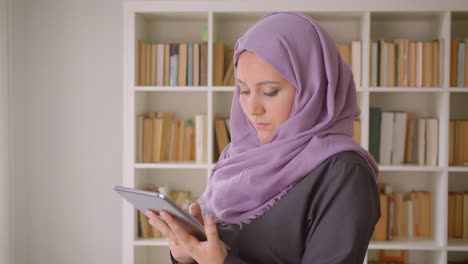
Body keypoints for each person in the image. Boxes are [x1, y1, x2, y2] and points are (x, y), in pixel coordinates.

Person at [146, 11, 380, 264]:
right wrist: (186, 252)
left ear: (313, 89)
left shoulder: (344, 173)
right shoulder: (238, 156)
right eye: (244, 91)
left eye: (269, 91)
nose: (252, 108)